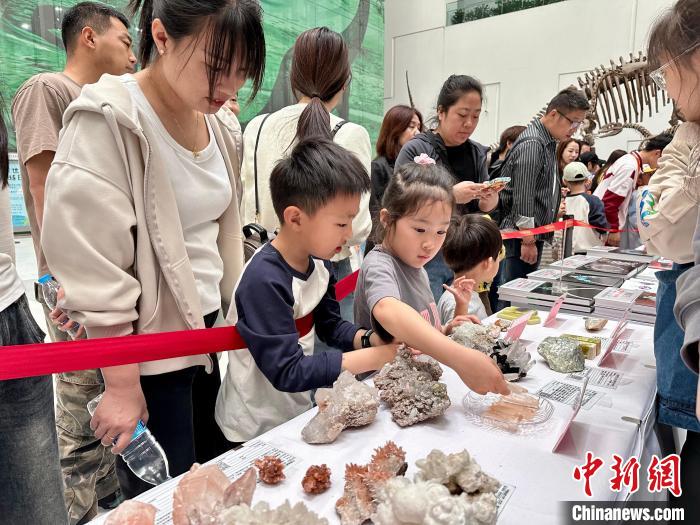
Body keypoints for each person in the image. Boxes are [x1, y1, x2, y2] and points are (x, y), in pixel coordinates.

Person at [41, 0, 266, 499]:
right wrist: (122, 385)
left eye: (242, 72)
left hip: (209, 336)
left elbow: (219, 234)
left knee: (216, 481)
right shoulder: (109, 119)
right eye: (216, 67)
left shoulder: (219, 125)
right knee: (168, 497)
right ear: (161, 38)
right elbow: (94, 263)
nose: (229, 87)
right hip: (147, 351)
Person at [11, 3, 136, 521]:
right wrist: (59, 277)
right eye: (125, 41)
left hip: (105, 279)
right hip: (70, 284)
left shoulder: (107, 101)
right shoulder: (47, 90)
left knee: (106, 392)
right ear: (89, 37)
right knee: (81, 399)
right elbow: (42, 186)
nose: (133, 55)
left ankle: (107, 497)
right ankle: (79, 509)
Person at [216, 139, 398, 442]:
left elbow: (330, 326)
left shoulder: (320, 262)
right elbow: (288, 371)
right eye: (341, 223)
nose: (349, 233)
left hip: (293, 410)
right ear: (295, 218)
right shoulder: (264, 280)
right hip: (252, 425)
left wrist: (369, 339)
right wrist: (377, 356)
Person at [240, 27, 371, 324]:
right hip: (328, 273)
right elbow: (358, 226)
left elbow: (245, 206)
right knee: (332, 351)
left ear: (293, 76)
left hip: (264, 265)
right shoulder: (351, 134)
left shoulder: (256, 127)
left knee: (271, 351)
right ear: (344, 81)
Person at [354, 156, 509, 395]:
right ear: (386, 219)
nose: (430, 243)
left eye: (441, 232)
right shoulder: (379, 264)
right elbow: (388, 310)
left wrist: (446, 329)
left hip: (417, 382)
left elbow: (422, 333)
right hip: (383, 389)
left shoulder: (417, 268)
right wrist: (458, 356)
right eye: (420, 229)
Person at [0, 99, 68, 525]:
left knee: (38, 504)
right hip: (33, 299)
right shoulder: (44, 91)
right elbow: (42, 189)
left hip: (10, 308)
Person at [645, 1, 700, 520]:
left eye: (667, 68)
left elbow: (665, 228)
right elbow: (658, 225)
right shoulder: (688, 132)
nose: (665, 83)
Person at [395, 75, 501, 300]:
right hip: (427, 254)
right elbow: (400, 200)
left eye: (475, 116)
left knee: (464, 313)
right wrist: (450, 196)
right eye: (462, 115)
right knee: (429, 312)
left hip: (466, 256)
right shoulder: (416, 150)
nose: (469, 123)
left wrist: (489, 200)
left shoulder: (476, 153)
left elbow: (482, 208)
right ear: (441, 112)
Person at [496, 87, 589, 294]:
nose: (575, 129)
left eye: (579, 124)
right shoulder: (533, 144)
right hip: (521, 239)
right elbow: (523, 195)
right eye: (573, 122)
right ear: (554, 114)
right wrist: (528, 239)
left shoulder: (546, 141)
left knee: (522, 294)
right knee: (515, 297)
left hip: (528, 236)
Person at [593, 133, 672, 248]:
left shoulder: (630, 161)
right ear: (657, 153)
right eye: (664, 159)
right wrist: (614, 229)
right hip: (602, 225)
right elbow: (610, 201)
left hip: (601, 221)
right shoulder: (630, 166)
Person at [366, 105, 423, 254]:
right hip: (385, 245)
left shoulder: (418, 166)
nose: (417, 132)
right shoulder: (378, 166)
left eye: (419, 127)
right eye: (411, 126)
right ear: (395, 130)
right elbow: (374, 214)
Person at [438, 214, 502, 325]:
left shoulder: (460, 296)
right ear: (488, 263)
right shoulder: (464, 303)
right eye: (499, 255)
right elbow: (457, 334)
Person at [561, 162, 608, 253]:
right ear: (586, 180)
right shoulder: (593, 201)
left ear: (565, 181)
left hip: (567, 252)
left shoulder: (562, 201)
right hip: (591, 251)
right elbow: (601, 225)